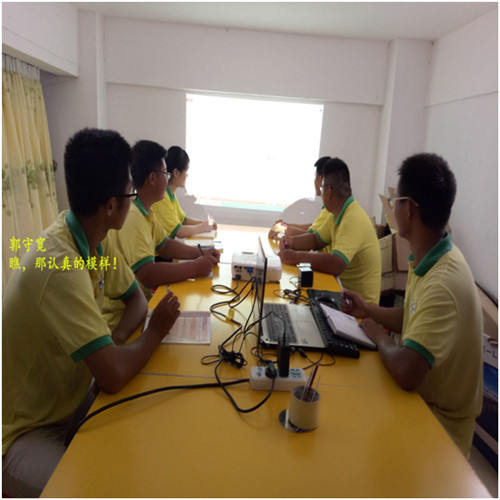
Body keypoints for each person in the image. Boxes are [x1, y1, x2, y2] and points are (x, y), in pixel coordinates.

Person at [2, 128, 181, 497]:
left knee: (142, 434)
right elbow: (112, 375)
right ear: (112, 206)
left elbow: (136, 300)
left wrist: (114, 341)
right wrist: (154, 332)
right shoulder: (59, 264)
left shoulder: (94, 238)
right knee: (95, 489)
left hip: (67, 400)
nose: (133, 200)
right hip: (22, 430)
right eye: (130, 194)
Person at [342, 153, 483, 459]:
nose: (392, 208)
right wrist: (368, 309)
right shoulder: (432, 259)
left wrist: (378, 336)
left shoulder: (442, 283)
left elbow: (407, 372)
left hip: (438, 431)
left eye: (396, 201)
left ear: (409, 210)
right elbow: (413, 318)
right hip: (421, 404)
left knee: (349, 436)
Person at [105, 140, 220, 326]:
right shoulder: (133, 216)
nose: (168, 180)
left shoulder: (146, 211)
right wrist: (194, 267)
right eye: (165, 174)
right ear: (152, 178)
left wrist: (201, 252)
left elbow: (165, 245)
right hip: (124, 317)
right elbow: (148, 274)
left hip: (141, 306)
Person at [279, 157, 381, 304]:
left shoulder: (352, 218)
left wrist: (295, 257)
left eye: (322, 188)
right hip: (342, 295)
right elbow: (316, 239)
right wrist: (291, 242)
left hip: (359, 309)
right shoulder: (337, 214)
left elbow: (336, 264)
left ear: (328, 191)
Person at [152, 145, 216, 238]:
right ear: (176, 172)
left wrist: (205, 224)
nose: (187, 175)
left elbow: (183, 220)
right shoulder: (162, 197)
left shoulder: (171, 195)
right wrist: (203, 227)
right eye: (186, 171)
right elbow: (179, 232)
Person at [268, 156, 332, 245]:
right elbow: (312, 227)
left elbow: (312, 236)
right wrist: (285, 225)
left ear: (320, 179)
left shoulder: (331, 211)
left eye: (315, 176)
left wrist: (283, 229)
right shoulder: (327, 208)